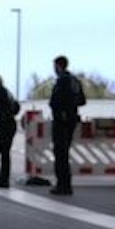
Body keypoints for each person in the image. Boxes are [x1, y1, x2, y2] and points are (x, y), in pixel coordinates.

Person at [48, 55, 86, 195]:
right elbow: (82, 100)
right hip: (71, 119)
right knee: (64, 152)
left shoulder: (62, 81)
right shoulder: (75, 81)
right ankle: (65, 184)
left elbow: (57, 101)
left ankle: (63, 184)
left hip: (62, 121)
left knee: (60, 153)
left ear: (58, 66)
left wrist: (63, 109)